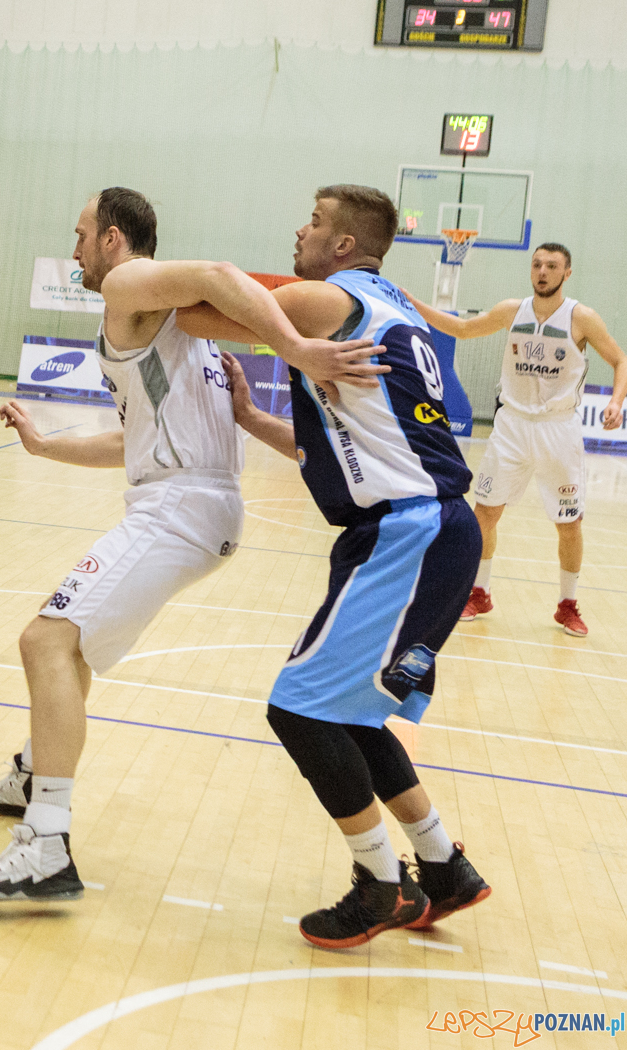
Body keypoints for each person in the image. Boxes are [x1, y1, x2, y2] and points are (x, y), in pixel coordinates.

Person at [0, 185, 390, 904]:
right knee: (72, 644)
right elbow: (141, 438)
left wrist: (297, 349)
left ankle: (46, 843)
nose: (77, 247)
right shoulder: (177, 327)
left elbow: (218, 272)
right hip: (190, 500)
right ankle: (34, 773)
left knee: (44, 642)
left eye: (83, 232)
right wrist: (46, 447)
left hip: (181, 506)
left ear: (116, 240)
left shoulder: (127, 284)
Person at [175, 185, 492, 948]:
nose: (301, 228)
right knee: (349, 710)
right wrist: (255, 418)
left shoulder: (329, 300)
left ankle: (382, 882)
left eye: (314, 222)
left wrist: (148, 284)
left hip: (407, 532)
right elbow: (356, 444)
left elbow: (195, 309)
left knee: (299, 708)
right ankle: (444, 866)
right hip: (426, 529)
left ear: (344, 246)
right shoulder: (400, 313)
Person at [408, 246, 626, 638]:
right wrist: (413, 302)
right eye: (537, 265)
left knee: (568, 522)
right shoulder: (512, 310)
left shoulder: (582, 317)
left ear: (567, 273)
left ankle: (567, 605)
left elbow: (620, 360)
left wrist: (615, 401)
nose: (542, 272)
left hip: (558, 429)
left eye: (551, 267)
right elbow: (460, 329)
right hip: (510, 426)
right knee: (485, 513)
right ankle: (479, 592)